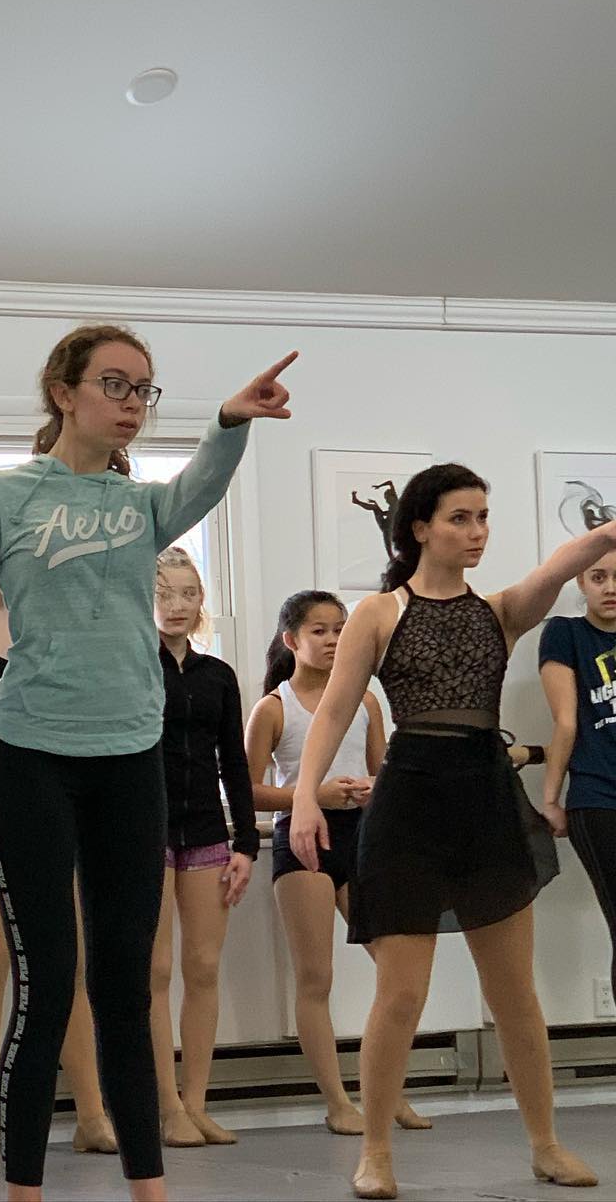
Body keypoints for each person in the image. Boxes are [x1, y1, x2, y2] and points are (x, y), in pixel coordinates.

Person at [0, 323, 296, 1202]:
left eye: (143, 391)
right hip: (29, 757)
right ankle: (23, 1188)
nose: (130, 405)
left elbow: (201, 483)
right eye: (114, 385)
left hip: (130, 760)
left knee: (126, 984)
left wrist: (230, 419)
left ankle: (148, 1184)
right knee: (47, 983)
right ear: (63, 392)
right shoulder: (0, 494)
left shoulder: (139, 506)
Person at [290, 463, 611, 1199]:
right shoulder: (379, 610)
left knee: (515, 994)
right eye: (461, 518)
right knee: (400, 995)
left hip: (486, 799)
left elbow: (564, 562)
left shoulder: (498, 609)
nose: (476, 532)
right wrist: (305, 799)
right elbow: (336, 709)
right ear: (420, 528)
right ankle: (375, 1151)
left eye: (483, 517)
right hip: (409, 803)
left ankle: (545, 1143)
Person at [0, 588, 119, 1166]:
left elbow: (81, 708)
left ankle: (90, 1112)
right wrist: (27, 709)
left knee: (66, 961)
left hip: (49, 789)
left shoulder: (57, 611)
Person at [244, 590, 428, 1138]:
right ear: (291, 641)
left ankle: (387, 1092)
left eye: (340, 630)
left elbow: (383, 769)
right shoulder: (274, 708)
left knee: (399, 971)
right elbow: (247, 790)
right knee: (316, 977)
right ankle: (336, 1101)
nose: (331, 640)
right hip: (305, 841)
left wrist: (373, 789)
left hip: (363, 838)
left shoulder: (366, 701)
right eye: (319, 630)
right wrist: (313, 794)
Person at [148, 546, 259, 1149]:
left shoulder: (219, 675)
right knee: (157, 969)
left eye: (187, 594)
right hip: (146, 830)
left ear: (201, 602)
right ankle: (165, 1106)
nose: (176, 606)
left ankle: (196, 1102)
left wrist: (247, 840)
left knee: (205, 967)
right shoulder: (133, 663)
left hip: (206, 832)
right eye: (163, 594)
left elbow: (233, 764)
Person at [538, 548, 616, 995]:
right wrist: (551, 797)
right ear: (581, 584)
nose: (609, 587)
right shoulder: (565, 634)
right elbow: (565, 721)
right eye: (598, 576)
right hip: (599, 798)